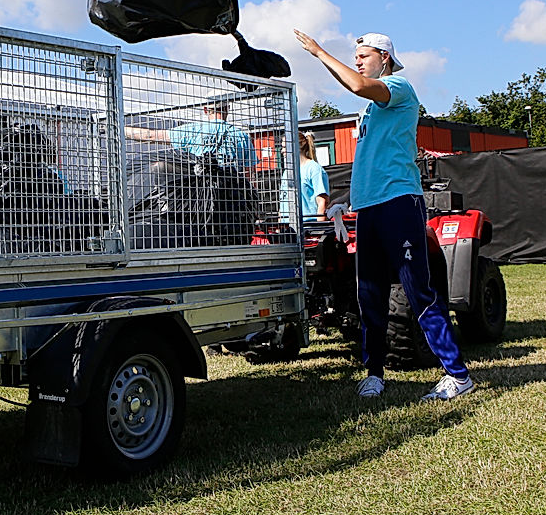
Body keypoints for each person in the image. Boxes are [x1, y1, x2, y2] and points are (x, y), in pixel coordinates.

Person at [293, 30, 473, 401]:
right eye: (355, 55)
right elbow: (358, 91)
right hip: (370, 208)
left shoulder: (399, 87)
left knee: (416, 290)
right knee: (369, 294)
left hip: (398, 202)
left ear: (385, 58)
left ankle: (457, 375)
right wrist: (345, 201)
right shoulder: (369, 109)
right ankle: (375, 373)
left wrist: (318, 52)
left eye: (364, 54)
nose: (358, 60)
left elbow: (358, 85)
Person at [124, 100, 257, 171]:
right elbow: (250, 173)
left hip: (199, 196)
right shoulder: (242, 136)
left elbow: (151, 136)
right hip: (232, 200)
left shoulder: (192, 130)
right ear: (228, 108)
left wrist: (120, 130)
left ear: (205, 110)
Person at [298, 131, 329, 218]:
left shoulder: (314, 169)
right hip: (287, 226)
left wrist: (319, 229)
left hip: (308, 225)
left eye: (285, 147)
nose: (282, 151)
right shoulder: (287, 171)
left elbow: (322, 202)